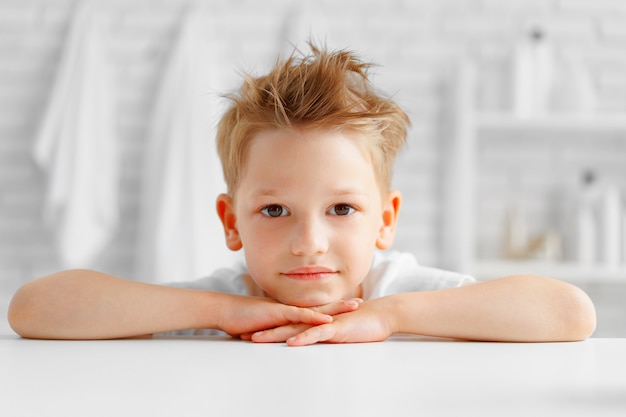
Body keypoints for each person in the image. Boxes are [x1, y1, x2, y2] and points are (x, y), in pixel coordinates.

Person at [8, 44, 596, 345]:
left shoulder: (403, 293)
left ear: (385, 220)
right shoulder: (223, 305)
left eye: (342, 209)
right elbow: (33, 309)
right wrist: (221, 313)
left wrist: (387, 318)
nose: (308, 242)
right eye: (273, 210)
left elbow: (571, 314)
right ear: (230, 221)